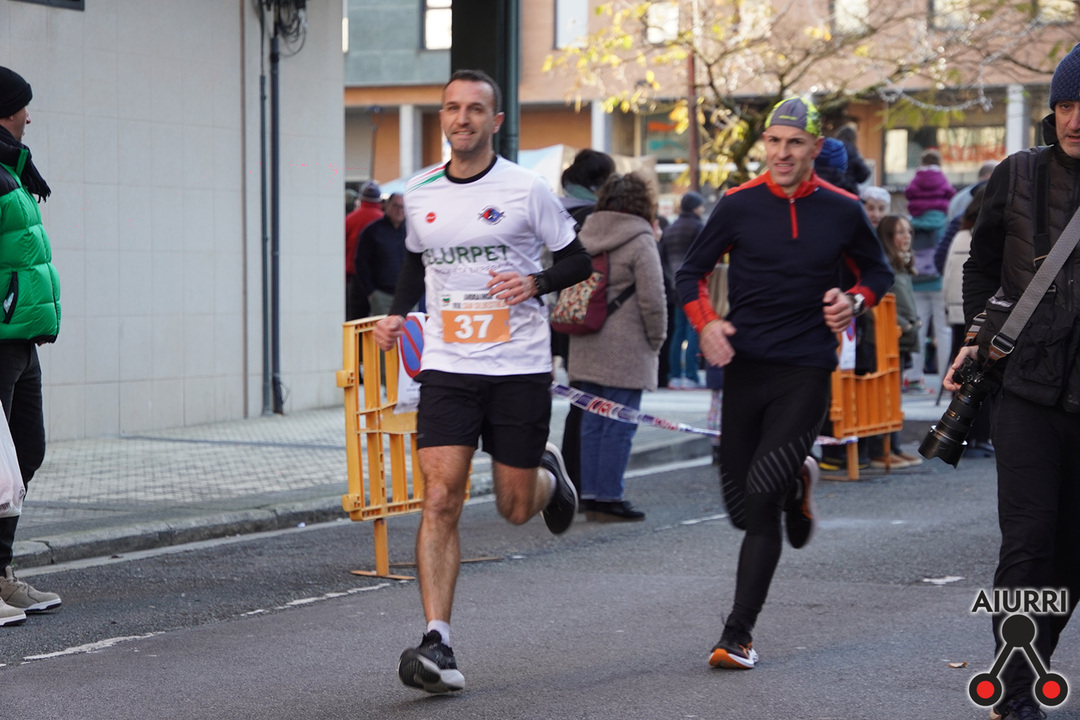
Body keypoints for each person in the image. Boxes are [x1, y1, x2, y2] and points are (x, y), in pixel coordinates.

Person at [373, 69, 591, 694]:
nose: (461, 118)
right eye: (451, 108)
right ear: (442, 117)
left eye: (474, 109)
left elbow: (579, 259)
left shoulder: (525, 189)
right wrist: (398, 313)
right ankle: (437, 641)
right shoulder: (419, 191)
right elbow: (415, 260)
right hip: (448, 366)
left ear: (495, 121)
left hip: (518, 365)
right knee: (440, 497)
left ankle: (548, 477)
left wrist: (536, 282)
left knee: (514, 508)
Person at [676, 97, 893, 670]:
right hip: (744, 368)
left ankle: (737, 635)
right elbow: (690, 273)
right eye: (774, 141)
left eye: (795, 142)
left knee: (761, 499)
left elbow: (878, 272)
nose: (782, 153)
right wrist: (707, 324)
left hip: (805, 369)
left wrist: (854, 301)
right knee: (741, 510)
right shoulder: (739, 204)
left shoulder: (843, 209)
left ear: (816, 148)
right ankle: (800, 479)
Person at [944, 44, 1080, 720]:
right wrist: (976, 334)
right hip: (1026, 388)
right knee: (1027, 542)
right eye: (1066, 105)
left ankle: (1022, 667)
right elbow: (982, 265)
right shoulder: (1019, 173)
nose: (1076, 119)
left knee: (1071, 553)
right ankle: (1019, 694)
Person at [0, 66, 63, 626]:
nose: (29, 116)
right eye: (23, 105)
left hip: (21, 338)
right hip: (0, 337)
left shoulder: (12, 170)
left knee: (25, 455)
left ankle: (0, 572)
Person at [568, 173, 667, 522]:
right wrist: (657, 340)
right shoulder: (640, 239)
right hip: (625, 348)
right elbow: (653, 299)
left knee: (592, 422)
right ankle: (609, 497)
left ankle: (590, 494)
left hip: (584, 342)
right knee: (619, 425)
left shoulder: (584, 233)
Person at [556, 149, 616, 496]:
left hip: (555, 312)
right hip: (587, 314)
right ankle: (580, 481)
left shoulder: (557, 208)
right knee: (588, 402)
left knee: (577, 400)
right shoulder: (594, 217)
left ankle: (570, 477)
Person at [940, 185, 993, 458]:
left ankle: (959, 433)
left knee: (961, 372)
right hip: (981, 314)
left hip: (958, 312)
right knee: (983, 371)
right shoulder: (990, 235)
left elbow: (947, 271)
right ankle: (979, 434)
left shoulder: (961, 234)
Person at [867, 215, 922, 469]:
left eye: (909, 231)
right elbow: (879, 300)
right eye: (900, 232)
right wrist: (904, 323)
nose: (907, 237)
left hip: (900, 338)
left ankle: (894, 447)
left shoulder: (902, 264)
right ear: (888, 238)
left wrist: (913, 322)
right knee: (884, 396)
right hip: (886, 338)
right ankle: (881, 449)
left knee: (894, 396)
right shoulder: (885, 266)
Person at [905, 148, 955, 391]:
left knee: (918, 326)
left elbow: (908, 195)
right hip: (938, 278)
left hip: (916, 278)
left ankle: (914, 376)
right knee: (944, 329)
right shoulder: (944, 191)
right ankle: (947, 376)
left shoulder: (914, 186)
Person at [659, 191, 706, 388]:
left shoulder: (671, 229)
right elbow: (705, 254)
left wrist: (673, 280)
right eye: (700, 206)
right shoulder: (697, 227)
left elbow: (662, 259)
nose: (702, 209)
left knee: (678, 331)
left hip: (676, 286)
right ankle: (691, 376)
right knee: (694, 329)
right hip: (694, 285)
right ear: (694, 207)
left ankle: (675, 375)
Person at [350, 192, 408, 317]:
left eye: (403, 207)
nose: (399, 210)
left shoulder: (412, 231)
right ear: (387, 206)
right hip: (382, 295)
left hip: (407, 297)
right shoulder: (372, 231)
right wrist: (371, 292)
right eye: (395, 206)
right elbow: (360, 262)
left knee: (410, 329)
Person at [345, 180, 384, 320]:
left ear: (361, 199)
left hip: (355, 278)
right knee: (380, 320)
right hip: (380, 280)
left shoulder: (349, 220)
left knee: (356, 320)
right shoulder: (383, 220)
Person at [835, 124, 872, 190]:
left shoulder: (833, 149)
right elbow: (864, 172)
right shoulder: (852, 150)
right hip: (849, 188)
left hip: (832, 188)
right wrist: (855, 178)